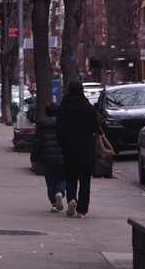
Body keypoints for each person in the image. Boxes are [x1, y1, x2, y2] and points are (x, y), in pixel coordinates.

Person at [57, 81, 100, 219]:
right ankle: (82, 209)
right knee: (85, 180)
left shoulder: (64, 106)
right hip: (85, 148)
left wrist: (62, 144)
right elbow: (95, 127)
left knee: (71, 177)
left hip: (69, 148)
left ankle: (71, 200)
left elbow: (59, 128)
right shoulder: (88, 107)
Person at [30, 103, 66, 212]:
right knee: (64, 177)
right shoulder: (64, 124)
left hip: (46, 157)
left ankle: (54, 203)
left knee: (50, 181)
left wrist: (34, 156)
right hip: (63, 156)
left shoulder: (42, 124)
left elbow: (37, 142)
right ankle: (60, 192)